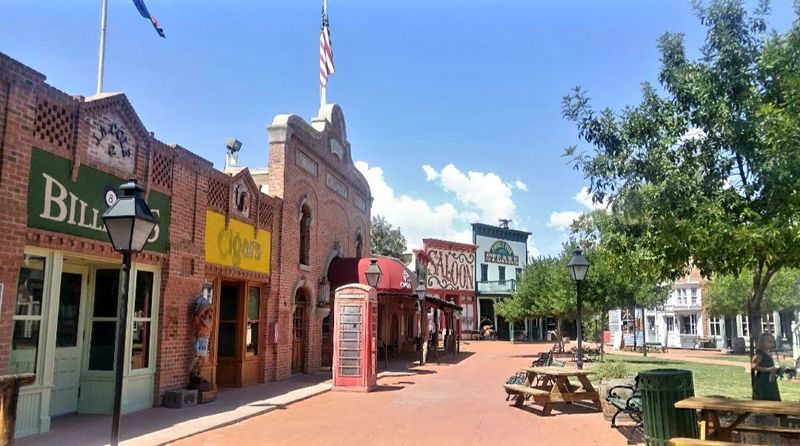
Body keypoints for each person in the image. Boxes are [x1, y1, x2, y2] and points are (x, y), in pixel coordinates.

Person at [751, 332, 781, 401]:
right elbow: (753, 366)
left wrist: (778, 370)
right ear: (762, 343)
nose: (772, 344)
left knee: (774, 398)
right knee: (765, 399)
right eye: (769, 342)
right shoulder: (759, 354)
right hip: (762, 381)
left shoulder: (768, 353)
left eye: (773, 342)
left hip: (770, 380)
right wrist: (768, 369)